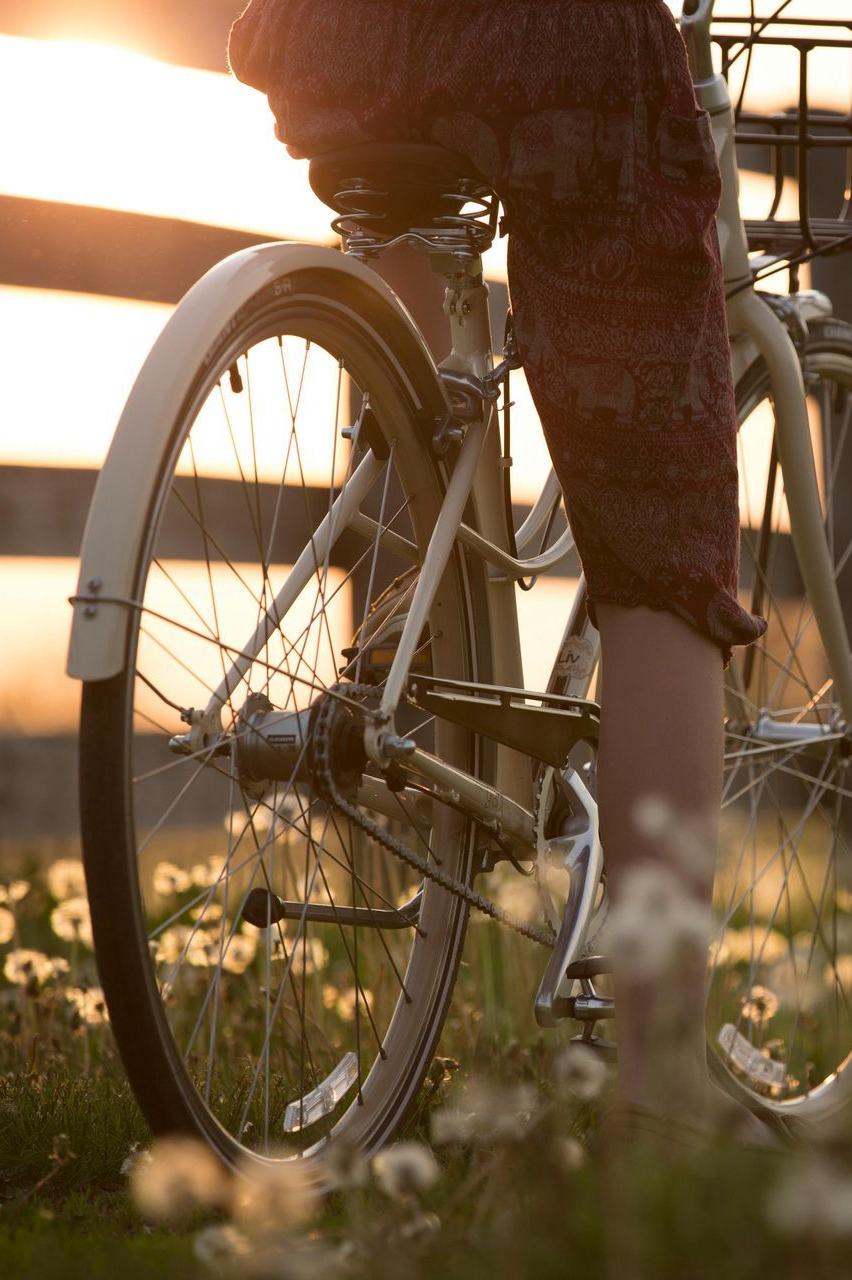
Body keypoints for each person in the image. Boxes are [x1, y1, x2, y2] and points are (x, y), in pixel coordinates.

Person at [226, 0, 766, 1137]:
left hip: (331, 35)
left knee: (414, 372)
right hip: (555, 46)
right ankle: (659, 1089)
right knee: (663, 544)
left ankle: (407, 678)